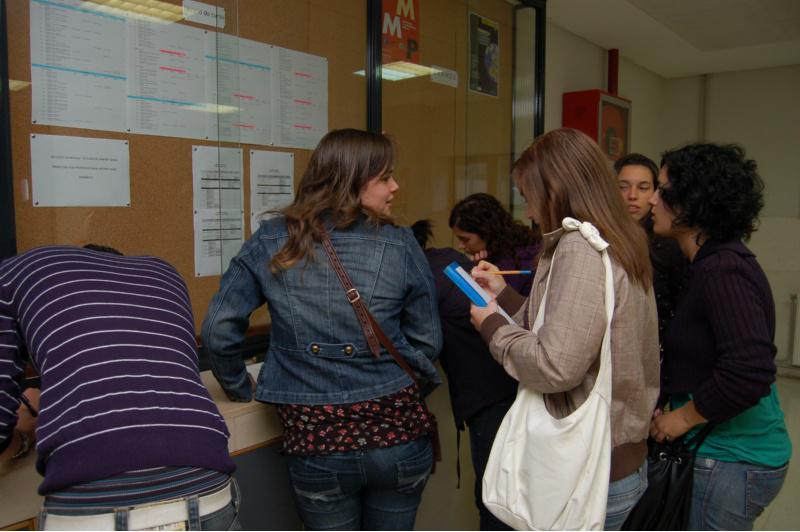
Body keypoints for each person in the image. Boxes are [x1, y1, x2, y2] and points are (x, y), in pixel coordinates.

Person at [202, 128, 442, 531]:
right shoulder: (401, 244)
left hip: (317, 445)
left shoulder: (273, 239)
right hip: (399, 440)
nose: (395, 187)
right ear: (350, 180)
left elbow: (217, 330)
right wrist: (387, 381)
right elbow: (428, 341)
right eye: (385, 177)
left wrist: (241, 387)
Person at [470, 128, 660, 530]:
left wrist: (491, 326)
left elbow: (555, 365)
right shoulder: (618, 237)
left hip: (589, 473)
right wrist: (503, 295)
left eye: (529, 197)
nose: (529, 211)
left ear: (554, 192)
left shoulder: (580, 247)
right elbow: (572, 326)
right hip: (619, 460)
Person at [0, 244, 239, 530]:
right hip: (207, 478)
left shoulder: (12, 274)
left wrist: (24, 435)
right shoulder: (165, 273)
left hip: (95, 497)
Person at [648, 143, 791, 530]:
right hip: (722, 450)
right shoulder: (706, 262)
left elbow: (749, 373)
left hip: (734, 458)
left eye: (662, 190)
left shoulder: (723, 269)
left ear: (693, 202)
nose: (652, 200)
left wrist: (684, 417)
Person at [411, 219, 523, 531]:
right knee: (502, 496)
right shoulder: (450, 262)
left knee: (494, 501)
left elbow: (420, 344)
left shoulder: (427, 278)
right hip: (511, 387)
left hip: (488, 398)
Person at [615, 153, 686, 343]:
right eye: (623, 187)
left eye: (643, 188)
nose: (632, 196)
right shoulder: (597, 237)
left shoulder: (670, 242)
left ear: (656, 192)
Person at [449, 192, 540, 296]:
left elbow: (495, 302)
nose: (460, 246)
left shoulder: (514, 260)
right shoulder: (511, 246)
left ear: (486, 232)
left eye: (465, 239)